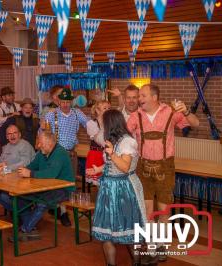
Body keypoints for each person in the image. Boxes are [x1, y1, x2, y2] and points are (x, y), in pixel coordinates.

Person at [126, 84, 199, 263]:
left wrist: (187, 111)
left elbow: (195, 124)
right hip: (143, 167)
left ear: (154, 97)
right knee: (148, 210)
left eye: (142, 95)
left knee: (164, 210)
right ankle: (152, 247)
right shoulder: (136, 116)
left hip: (165, 167)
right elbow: (123, 136)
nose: (138, 98)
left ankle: (160, 245)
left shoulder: (170, 112)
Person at [88, 109, 146, 266]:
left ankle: (137, 262)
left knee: (129, 229)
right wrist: (98, 169)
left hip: (124, 188)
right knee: (106, 231)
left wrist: (112, 154)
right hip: (108, 187)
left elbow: (125, 167)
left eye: (104, 124)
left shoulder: (128, 141)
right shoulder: (112, 139)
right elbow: (110, 164)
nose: (103, 128)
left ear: (111, 124)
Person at [16, 131, 75, 241]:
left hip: (64, 189)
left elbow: (51, 174)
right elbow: (31, 166)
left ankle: (25, 229)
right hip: (46, 187)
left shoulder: (60, 153)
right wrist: (22, 170)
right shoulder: (41, 153)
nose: (38, 145)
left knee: (42, 201)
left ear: (50, 143)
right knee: (20, 197)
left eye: (41, 143)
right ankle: (31, 227)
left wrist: (30, 174)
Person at [44, 87, 88, 226]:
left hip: (71, 153)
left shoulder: (77, 113)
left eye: (67, 102)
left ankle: (59, 208)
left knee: (69, 183)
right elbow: (44, 134)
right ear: (58, 101)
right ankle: (62, 212)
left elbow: (89, 125)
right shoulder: (51, 115)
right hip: (56, 154)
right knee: (57, 183)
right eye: (62, 102)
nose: (65, 105)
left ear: (71, 101)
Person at [0, 125, 35, 211]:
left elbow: (25, 163)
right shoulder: (7, 146)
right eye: (9, 134)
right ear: (7, 137)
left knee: (5, 196)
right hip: (9, 179)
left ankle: (23, 212)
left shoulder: (25, 145)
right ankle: (16, 211)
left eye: (15, 133)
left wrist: (6, 169)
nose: (12, 136)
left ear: (19, 134)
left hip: (24, 180)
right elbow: (1, 160)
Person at [85, 100, 110, 185]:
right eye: (105, 108)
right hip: (96, 154)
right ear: (97, 110)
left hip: (107, 154)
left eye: (109, 108)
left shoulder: (109, 123)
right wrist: (101, 121)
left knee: (107, 182)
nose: (107, 110)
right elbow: (99, 140)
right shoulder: (91, 123)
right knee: (97, 183)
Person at [0, 87, 21, 157]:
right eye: (9, 95)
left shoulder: (17, 106)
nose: (12, 97)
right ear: (3, 97)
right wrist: (11, 115)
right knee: (1, 156)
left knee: (14, 156)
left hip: (13, 135)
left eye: (12, 95)